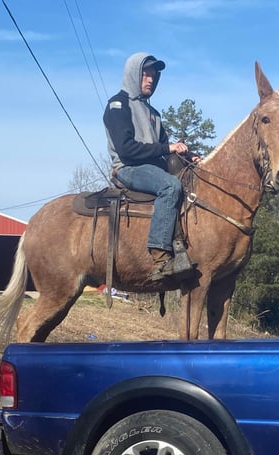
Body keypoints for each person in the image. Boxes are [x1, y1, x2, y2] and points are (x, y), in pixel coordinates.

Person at [103, 52, 194, 282]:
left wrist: (190, 157)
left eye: (153, 75)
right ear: (133, 74)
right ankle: (160, 256)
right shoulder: (118, 105)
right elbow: (126, 150)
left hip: (152, 169)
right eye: (145, 74)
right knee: (170, 186)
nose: (150, 79)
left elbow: (167, 148)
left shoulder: (154, 114)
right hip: (128, 168)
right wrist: (167, 149)